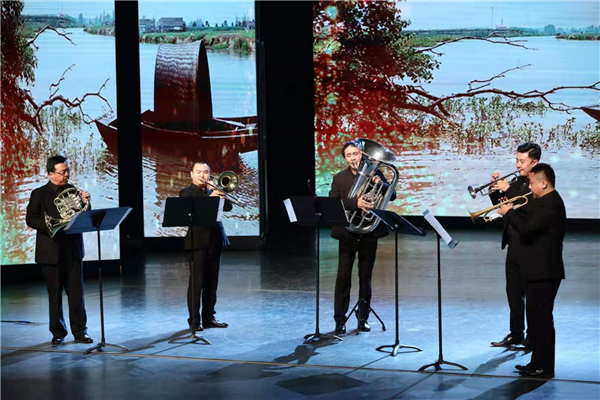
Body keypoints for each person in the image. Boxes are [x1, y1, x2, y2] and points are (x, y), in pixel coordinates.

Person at [498, 163, 566, 378]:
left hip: (544, 272)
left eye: (532, 183)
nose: (529, 186)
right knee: (536, 321)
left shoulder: (551, 204)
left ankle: (544, 367)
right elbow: (526, 216)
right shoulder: (542, 201)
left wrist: (509, 212)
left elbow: (526, 229)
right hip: (536, 270)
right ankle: (537, 362)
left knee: (541, 321)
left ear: (544, 183)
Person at [329, 140, 396, 334]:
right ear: (345, 159)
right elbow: (333, 203)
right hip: (347, 232)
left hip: (368, 232)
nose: (353, 158)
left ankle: (363, 318)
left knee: (366, 278)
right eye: (348, 155)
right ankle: (339, 320)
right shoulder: (339, 178)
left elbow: (392, 195)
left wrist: (381, 184)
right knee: (343, 277)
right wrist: (355, 203)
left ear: (362, 155)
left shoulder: (376, 173)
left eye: (356, 154)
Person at [25, 155, 93, 345]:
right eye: (63, 172)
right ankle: (58, 332)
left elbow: (84, 216)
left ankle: (80, 332)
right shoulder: (39, 194)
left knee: (76, 295)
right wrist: (52, 227)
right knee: (54, 296)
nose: (67, 175)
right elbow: (31, 218)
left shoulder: (73, 191)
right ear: (51, 174)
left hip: (72, 250)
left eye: (67, 171)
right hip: (51, 251)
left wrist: (86, 202)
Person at [489, 142, 541, 348]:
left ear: (534, 162)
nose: (518, 165)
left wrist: (508, 189)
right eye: (517, 160)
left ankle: (533, 336)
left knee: (531, 295)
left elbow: (527, 208)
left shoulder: (537, 182)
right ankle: (516, 333)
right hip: (513, 244)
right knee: (513, 293)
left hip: (529, 246)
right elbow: (503, 205)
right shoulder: (516, 180)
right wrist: (494, 190)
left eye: (522, 161)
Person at [179, 162, 232, 331]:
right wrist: (212, 198)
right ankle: (194, 322)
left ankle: (209, 318)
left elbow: (229, 207)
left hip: (215, 241)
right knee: (197, 283)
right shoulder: (186, 192)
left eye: (206, 172)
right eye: (199, 172)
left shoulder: (212, 191)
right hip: (197, 242)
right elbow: (196, 211)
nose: (203, 175)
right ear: (191, 174)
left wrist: (220, 193)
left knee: (212, 283)